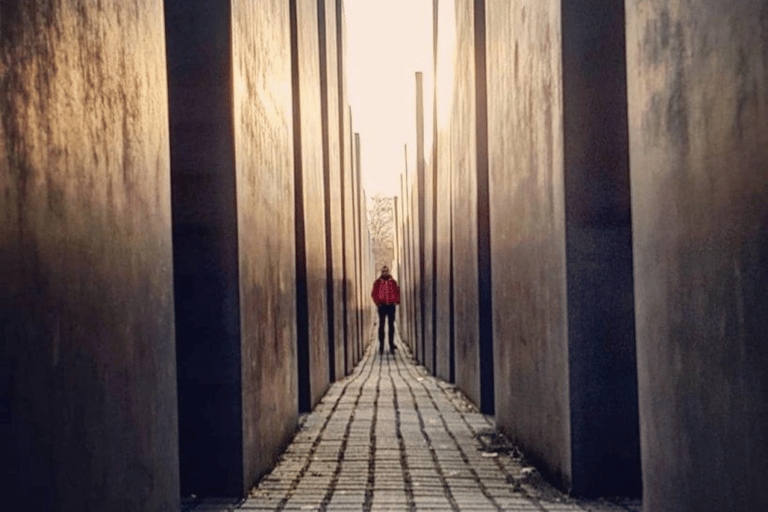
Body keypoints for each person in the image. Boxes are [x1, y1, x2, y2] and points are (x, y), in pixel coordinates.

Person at [371, 265, 400, 354]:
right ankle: (381, 345)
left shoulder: (393, 282)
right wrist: (378, 303)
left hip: (391, 306)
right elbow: (373, 294)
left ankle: (391, 344)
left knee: (391, 326)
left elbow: (397, 292)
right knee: (381, 326)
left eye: (386, 271)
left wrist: (396, 301)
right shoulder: (377, 282)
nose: (385, 273)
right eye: (383, 271)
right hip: (382, 306)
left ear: (389, 271)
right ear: (381, 272)